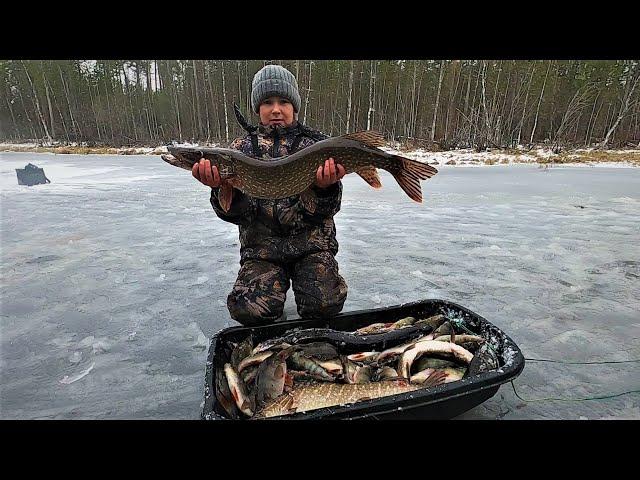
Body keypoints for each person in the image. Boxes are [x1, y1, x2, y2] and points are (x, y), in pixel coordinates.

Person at [192, 64, 348, 326]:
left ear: (295, 106)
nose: (276, 109)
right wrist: (220, 187)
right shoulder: (240, 151)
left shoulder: (315, 147)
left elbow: (328, 209)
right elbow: (236, 215)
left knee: (325, 304)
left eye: (284, 101)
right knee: (247, 309)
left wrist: (325, 188)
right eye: (267, 102)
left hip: (310, 248)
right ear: (257, 109)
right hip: (262, 252)